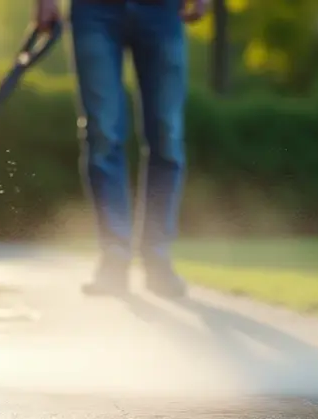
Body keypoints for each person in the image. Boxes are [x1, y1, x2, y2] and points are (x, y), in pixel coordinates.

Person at [35, 0, 208, 298]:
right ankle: (114, 258)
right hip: (94, 9)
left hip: (163, 9)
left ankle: (157, 257)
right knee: (102, 133)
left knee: (167, 134)